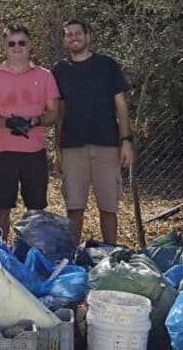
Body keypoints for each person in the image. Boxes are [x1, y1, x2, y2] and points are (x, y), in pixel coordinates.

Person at [52, 19, 134, 244]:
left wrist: (126, 140)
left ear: (88, 37)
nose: (74, 38)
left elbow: (121, 105)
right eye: (69, 35)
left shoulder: (106, 65)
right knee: (74, 208)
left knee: (108, 208)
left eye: (79, 33)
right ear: (64, 41)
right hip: (72, 147)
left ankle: (110, 255)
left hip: (107, 145)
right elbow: (59, 112)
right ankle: (72, 260)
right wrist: (57, 149)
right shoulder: (59, 70)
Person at [0, 24, 60, 240]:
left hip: (34, 151)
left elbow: (54, 113)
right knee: (1, 206)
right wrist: (8, 123)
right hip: (3, 151)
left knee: (36, 209)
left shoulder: (45, 76)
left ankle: (33, 253)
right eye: (11, 43)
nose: (17, 47)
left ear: (30, 45)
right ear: (4, 47)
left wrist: (34, 122)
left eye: (22, 43)